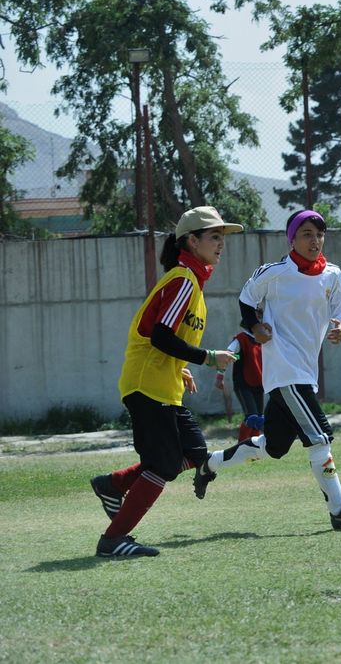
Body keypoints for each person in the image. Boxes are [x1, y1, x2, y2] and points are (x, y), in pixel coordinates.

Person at [192, 210, 341, 531]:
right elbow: (247, 298)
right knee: (320, 439)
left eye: (319, 234)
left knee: (272, 447)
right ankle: (339, 510)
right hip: (284, 371)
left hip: (304, 373)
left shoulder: (333, 275)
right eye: (306, 234)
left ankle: (209, 464)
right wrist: (254, 325)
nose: (314, 240)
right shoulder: (274, 272)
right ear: (292, 238)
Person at [89, 206, 243, 558]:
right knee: (162, 466)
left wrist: (180, 365)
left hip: (163, 385)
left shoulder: (191, 282)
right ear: (192, 240)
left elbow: (162, 336)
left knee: (193, 453)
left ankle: (111, 485)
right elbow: (159, 336)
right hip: (148, 386)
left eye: (223, 238)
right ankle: (113, 540)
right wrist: (206, 357)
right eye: (214, 237)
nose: (221, 244)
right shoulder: (183, 280)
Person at [215, 322, 265, 442]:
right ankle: (240, 447)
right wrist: (219, 377)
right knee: (252, 417)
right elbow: (227, 357)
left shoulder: (263, 340)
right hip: (243, 384)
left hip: (259, 384)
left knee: (259, 418)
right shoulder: (241, 340)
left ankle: (255, 451)